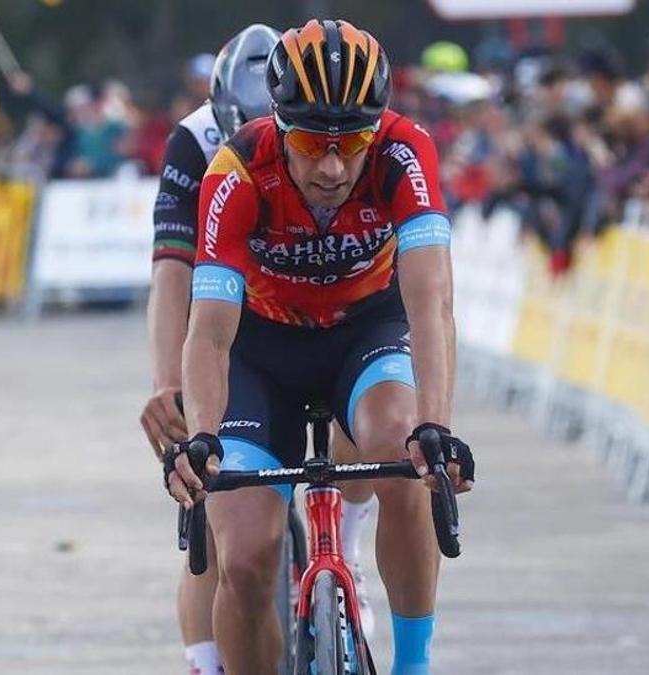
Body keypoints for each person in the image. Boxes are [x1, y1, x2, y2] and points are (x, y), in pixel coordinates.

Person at [163, 19, 475, 675]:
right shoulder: (238, 169)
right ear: (278, 124)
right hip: (260, 351)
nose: (333, 167)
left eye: (351, 142)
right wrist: (200, 434)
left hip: (365, 334)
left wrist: (437, 424)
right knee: (245, 555)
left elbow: (430, 302)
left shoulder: (404, 151)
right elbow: (211, 330)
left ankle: (413, 665)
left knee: (404, 448)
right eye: (310, 143)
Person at [141, 23, 378, 674]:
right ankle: (205, 660)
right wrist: (171, 387)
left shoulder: (323, 137)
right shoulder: (195, 142)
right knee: (216, 524)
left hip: (316, 306)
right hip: (230, 316)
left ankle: (347, 544)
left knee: (356, 383)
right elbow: (172, 273)